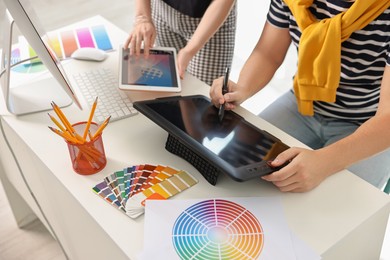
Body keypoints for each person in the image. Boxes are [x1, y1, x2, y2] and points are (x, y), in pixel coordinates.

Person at [210, 0, 390, 192]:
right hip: (302, 104)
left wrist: (325, 162)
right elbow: (268, 53)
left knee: (340, 208)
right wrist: (243, 88)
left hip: (368, 124)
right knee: (236, 169)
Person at [124, 0, 237, 86]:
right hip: (162, 10)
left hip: (210, 18)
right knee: (167, 87)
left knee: (200, 98)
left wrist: (190, 49)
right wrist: (143, 18)